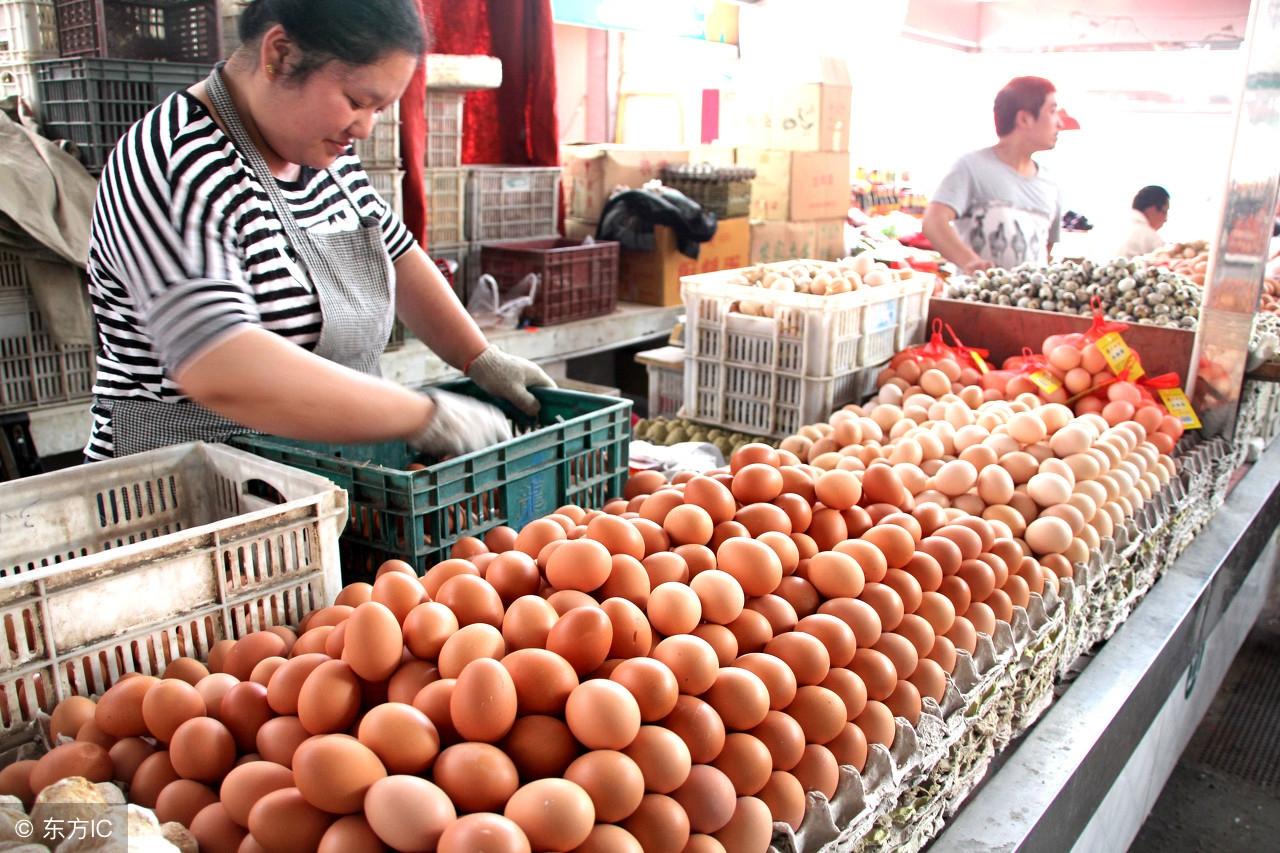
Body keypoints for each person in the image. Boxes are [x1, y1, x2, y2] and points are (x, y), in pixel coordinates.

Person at [83, 0, 553, 461]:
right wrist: (422, 415)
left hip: (311, 475)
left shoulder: (319, 152)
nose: (365, 129)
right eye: (356, 102)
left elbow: (395, 253)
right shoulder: (178, 163)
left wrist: (479, 358)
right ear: (280, 55)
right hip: (194, 486)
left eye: (380, 109)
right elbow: (222, 366)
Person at [923, 76, 1066, 274]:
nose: (1060, 122)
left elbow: (1046, 248)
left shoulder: (1051, 184)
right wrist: (971, 263)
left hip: (1023, 303)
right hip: (973, 302)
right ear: (1024, 118)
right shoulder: (971, 167)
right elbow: (934, 222)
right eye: (1052, 111)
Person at [1114, 185, 1170, 258]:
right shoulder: (1149, 236)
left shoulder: (1120, 228)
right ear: (1152, 209)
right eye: (1165, 211)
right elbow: (1165, 261)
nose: (1166, 219)